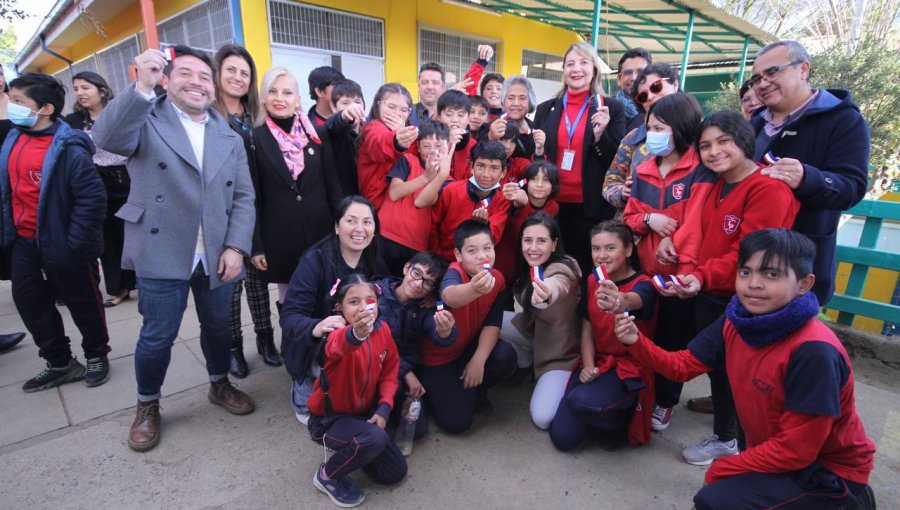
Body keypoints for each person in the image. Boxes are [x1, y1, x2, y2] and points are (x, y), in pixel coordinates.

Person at [615, 229, 877, 510]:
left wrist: (726, 468)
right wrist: (637, 342)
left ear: (804, 284)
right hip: (779, 455)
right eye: (745, 272)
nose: (754, 284)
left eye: (772, 274)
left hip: (827, 472)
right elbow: (682, 366)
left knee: (713, 500)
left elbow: (796, 450)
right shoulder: (738, 320)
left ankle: (850, 503)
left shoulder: (813, 351)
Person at [92, 46, 257, 452]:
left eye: (204, 76)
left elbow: (243, 198)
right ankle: (147, 404)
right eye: (185, 73)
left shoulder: (228, 135)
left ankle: (219, 383)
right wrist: (140, 87)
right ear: (167, 78)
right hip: (161, 247)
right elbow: (106, 139)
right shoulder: (147, 118)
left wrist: (236, 246)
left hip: (215, 251)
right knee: (157, 336)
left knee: (218, 329)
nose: (196, 83)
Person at [660, 110, 800, 466]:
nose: (714, 151)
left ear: (744, 141)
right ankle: (729, 435)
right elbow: (703, 235)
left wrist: (703, 276)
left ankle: (730, 441)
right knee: (719, 369)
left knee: (736, 372)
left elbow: (748, 254)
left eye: (724, 141)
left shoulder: (769, 189)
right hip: (712, 290)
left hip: (744, 298)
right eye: (706, 145)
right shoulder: (718, 185)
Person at [0, 73, 109, 392]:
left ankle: (96, 355)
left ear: (45, 108)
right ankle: (60, 361)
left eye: (20, 101)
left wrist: (73, 243)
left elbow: (92, 199)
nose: (13, 105)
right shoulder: (14, 137)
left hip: (64, 243)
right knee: (29, 300)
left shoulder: (69, 147)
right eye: (12, 99)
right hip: (24, 240)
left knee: (83, 301)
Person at [749, 40, 870, 304]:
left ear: (803, 69)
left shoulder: (844, 120)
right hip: (747, 259)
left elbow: (852, 186)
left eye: (772, 72)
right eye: (756, 78)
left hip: (798, 267)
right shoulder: (755, 122)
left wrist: (807, 177)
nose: (762, 83)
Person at [621, 93, 706, 431]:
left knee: (674, 339)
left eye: (659, 128)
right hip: (647, 271)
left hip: (682, 275)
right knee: (646, 334)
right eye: (649, 127)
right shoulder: (643, 169)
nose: (651, 134)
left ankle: (666, 401)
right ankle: (643, 393)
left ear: (682, 129)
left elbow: (698, 220)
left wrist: (676, 242)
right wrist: (650, 220)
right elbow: (630, 216)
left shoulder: (700, 168)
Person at [280, 196, 389, 425]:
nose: (360, 229)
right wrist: (316, 327)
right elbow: (289, 316)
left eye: (368, 222)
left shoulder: (373, 257)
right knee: (315, 411)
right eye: (351, 221)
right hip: (318, 346)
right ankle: (304, 380)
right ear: (337, 226)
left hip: (358, 341)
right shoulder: (315, 261)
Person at [549, 220, 657, 451]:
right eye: (596, 248)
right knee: (563, 439)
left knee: (580, 402)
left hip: (628, 367)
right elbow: (587, 326)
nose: (601, 255)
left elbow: (632, 300)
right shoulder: (592, 279)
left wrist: (619, 300)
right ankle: (599, 409)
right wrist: (587, 365)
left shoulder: (644, 284)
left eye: (610, 248)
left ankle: (619, 418)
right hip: (597, 362)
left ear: (628, 250)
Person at [245, 66, 342, 316]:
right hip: (280, 235)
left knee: (326, 291)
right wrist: (256, 246)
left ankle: (323, 349)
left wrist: (340, 225)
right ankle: (294, 346)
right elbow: (252, 196)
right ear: (263, 97)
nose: (280, 98)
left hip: (320, 232)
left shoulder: (316, 135)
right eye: (273, 91)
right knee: (290, 298)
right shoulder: (254, 140)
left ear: (297, 99)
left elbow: (332, 185)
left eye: (287, 92)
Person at [307, 274, 407, 508]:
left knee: (394, 472)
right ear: (339, 307)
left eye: (369, 300)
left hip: (363, 415)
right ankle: (327, 476)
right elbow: (337, 346)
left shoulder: (383, 331)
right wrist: (357, 334)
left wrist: (383, 409)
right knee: (375, 438)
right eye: (354, 302)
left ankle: (359, 446)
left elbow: (390, 372)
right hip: (328, 420)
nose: (364, 307)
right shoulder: (335, 333)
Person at [210, 45, 275, 378]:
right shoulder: (208, 115)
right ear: (217, 74)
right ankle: (233, 347)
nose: (238, 78)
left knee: (258, 280)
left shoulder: (257, 116)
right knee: (230, 283)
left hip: (258, 207)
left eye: (244, 73)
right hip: (224, 210)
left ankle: (265, 340)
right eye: (231, 70)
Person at [533, 42, 626, 275]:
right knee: (552, 267)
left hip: (591, 208)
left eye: (584, 63)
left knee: (587, 270)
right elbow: (535, 158)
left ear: (594, 69)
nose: (576, 69)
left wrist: (599, 136)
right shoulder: (546, 109)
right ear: (563, 70)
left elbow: (618, 161)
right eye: (570, 64)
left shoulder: (611, 108)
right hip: (552, 203)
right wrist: (537, 150)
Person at [419, 220, 517, 433]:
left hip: (466, 349)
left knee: (505, 354)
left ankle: (476, 388)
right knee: (457, 423)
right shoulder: (454, 271)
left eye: (487, 248)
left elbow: (493, 323)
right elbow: (450, 296)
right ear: (458, 255)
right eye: (472, 250)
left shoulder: (497, 279)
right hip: (438, 360)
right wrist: (475, 288)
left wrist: (478, 360)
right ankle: (438, 393)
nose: (482, 256)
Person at [501, 213, 581, 429]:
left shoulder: (565, 266)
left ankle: (563, 380)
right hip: (532, 332)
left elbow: (558, 283)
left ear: (554, 244)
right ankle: (525, 360)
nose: (533, 247)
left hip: (560, 353)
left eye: (542, 241)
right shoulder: (527, 266)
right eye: (528, 240)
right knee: (488, 323)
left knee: (542, 418)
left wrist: (546, 294)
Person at [64, 71, 135, 308]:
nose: (80, 93)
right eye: (76, 89)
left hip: (126, 180)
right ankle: (118, 287)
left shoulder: (120, 113)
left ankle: (141, 282)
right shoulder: (74, 121)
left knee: (131, 235)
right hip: (93, 183)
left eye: (85, 87)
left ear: (101, 90)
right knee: (106, 239)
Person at [373, 252, 456, 439]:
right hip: (372, 371)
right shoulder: (375, 294)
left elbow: (441, 335)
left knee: (417, 430)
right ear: (406, 267)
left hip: (399, 377)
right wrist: (406, 373)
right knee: (375, 427)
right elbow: (374, 345)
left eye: (428, 283)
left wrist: (445, 331)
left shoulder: (423, 308)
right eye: (417, 274)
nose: (419, 284)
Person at [602, 63, 680, 212]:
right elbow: (610, 182)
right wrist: (621, 193)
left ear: (675, 84)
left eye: (656, 87)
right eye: (643, 96)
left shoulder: (697, 134)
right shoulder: (633, 138)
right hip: (635, 225)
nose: (650, 96)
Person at [378, 119, 451, 275]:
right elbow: (394, 192)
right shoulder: (408, 160)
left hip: (415, 244)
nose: (433, 151)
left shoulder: (447, 180)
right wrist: (425, 178)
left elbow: (422, 202)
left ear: (448, 147)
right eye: (426, 146)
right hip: (385, 235)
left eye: (439, 146)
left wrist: (437, 176)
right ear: (417, 147)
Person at [428, 140, 510, 262]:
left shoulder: (502, 200)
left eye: (494, 168)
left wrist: (484, 226)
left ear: (503, 173)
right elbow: (433, 226)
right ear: (471, 167)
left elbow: (495, 237)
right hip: (441, 258)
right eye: (481, 166)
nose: (486, 174)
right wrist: (436, 255)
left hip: (475, 264)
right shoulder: (452, 190)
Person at [494, 160, 560, 284]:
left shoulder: (553, 207)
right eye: (534, 179)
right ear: (526, 182)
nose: (539, 184)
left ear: (553, 185)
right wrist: (521, 204)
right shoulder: (518, 200)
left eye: (546, 180)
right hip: (506, 261)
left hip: (532, 263)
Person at [356, 83, 418, 209]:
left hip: (400, 207)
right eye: (391, 106)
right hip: (376, 205)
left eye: (404, 110)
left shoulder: (410, 131)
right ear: (377, 105)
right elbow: (379, 144)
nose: (397, 113)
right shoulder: (374, 127)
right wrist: (397, 140)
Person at [326, 79, 367, 196]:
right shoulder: (331, 132)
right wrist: (343, 117)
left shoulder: (369, 131)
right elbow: (333, 125)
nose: (352, 107)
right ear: (333, 107)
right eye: (345, 103)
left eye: (357, 102)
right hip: (344, 202)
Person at [487, 75, 541, 160]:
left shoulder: (536, 129)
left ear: (530, 102)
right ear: (503, 101)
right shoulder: (491, 127)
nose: (516, 103)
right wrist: (491, 137)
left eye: (522, 98)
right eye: (511, 98)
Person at [614, 48, 652, 132]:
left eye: (640, 72)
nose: (634, 78)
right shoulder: (607, 108)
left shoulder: (658, 108)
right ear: (619, 79)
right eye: (628, 72)